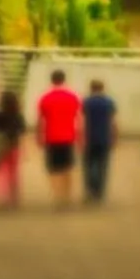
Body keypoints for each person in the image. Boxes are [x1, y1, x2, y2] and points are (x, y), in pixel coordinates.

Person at [37, 69, 83, 207]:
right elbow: (79, 118)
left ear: (52, 80)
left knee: (53, 168)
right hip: (68, 136)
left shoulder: (45, 98)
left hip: (51, 137)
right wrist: (80, 136)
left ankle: (57, 196)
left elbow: (41, 120)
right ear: (64, 79)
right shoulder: (73, 97)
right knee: (67, 167)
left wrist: (39, 136)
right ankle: (67, 195)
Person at [82, 78, 118, 203]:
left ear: (91, 88)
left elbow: (82, 119)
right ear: (102, 88)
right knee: (102, 165)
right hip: (104, 137)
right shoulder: (109, 102)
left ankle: (90, 189)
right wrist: (114, 137)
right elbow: (113, 122)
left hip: (89, 137)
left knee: (89, 165)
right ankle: (100, 191)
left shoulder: (86, 102)